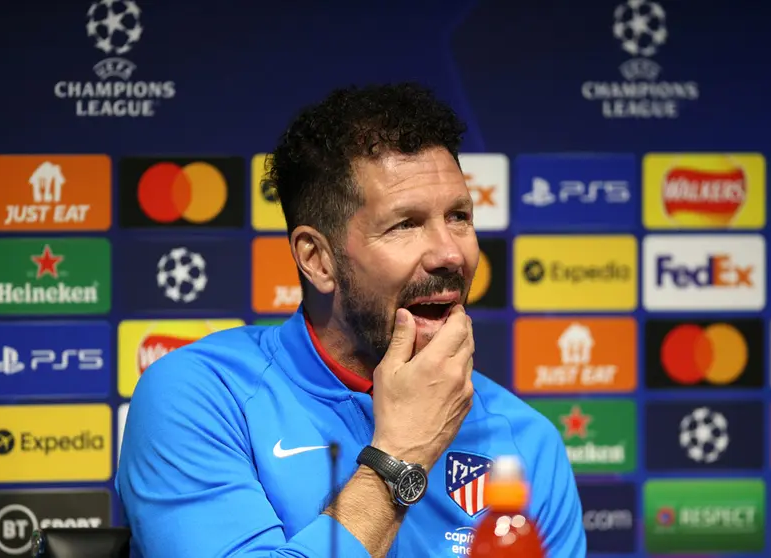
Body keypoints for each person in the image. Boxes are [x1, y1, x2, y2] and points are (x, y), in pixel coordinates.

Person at [115, 83, 586, 558]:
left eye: (459, 216)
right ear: (318, 259)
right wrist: (399, 456)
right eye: (406, 224)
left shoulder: (528, 441)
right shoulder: (201, 397)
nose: (450, 253)